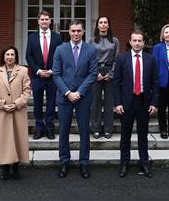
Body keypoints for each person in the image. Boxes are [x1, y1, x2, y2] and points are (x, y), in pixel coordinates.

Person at [53, 20, 98, 179]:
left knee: (84, 131)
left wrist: (79, 92)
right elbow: (56, 74)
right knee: (63, 130)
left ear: (83, 31)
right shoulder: (60, 49)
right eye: (73, 31)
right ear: (69, 32)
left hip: (83, 97)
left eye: (79, 31)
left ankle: (84, 163)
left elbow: (93, 73)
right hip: (64, 98)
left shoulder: (91, 50)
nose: (76, 34)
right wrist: (67, 92)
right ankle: (64, 161)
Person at [113, 30, 159, 178]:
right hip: (127, 102)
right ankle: (124, 163)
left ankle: (144, 163)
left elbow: (155, 83)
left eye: (140, 41)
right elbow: (116, 82)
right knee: (125, 136)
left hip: (144, 102)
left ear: (144, 43)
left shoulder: (150, 59)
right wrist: (117, 102)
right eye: (134, 40)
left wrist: (154, 103)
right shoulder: (122, 58)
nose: (137, 43)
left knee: (143, 136)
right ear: (130, 42)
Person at [0, 46, 32, 180]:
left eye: (12, 55)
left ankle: (16, 168)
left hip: (18, 111)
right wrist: (2, 104)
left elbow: (27, 91)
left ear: (16, 57)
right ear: (3, 57)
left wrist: (16, 104)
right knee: (4, 141)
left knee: (18, 139)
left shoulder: (23, 71)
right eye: (7, 54)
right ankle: (5, 169)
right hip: (2, 112)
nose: (10, 57)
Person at [26, 11, 62, 140]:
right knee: (37, 103)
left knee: (51, 103)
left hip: (53, 76)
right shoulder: (32, 37)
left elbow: (60, 56)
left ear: (50, 21)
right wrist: (38, 71)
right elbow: (28, 56)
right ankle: (39, 127)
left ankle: (50, 128)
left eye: (47, 19)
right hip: (37, 76)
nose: (45, 21)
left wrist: (52, 70)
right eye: (42, 19)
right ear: (38, 21)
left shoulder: (57, 37)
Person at [88, 16, 119, 139]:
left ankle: (108, 129)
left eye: (105, 22)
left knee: (108, 102)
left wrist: (110, 74)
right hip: (96, 71)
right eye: (100, 22)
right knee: (95, 102)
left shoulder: (115, 41)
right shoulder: (91, 41)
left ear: (108, 25)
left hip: (109, 70)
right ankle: (95, 128)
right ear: (97, 26)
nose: (103, 24)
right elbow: (89, 59)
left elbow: (117, 59)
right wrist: (95, 74)